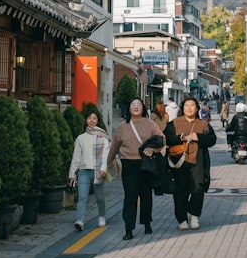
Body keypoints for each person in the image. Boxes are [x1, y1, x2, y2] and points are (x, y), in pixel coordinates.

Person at [108, 97, 164, 240]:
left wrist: (152, 149)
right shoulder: (122, 126)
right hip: (129, 165)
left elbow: (161, 139)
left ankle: (147, 223)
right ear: (129, 108)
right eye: (133, 104)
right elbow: (114, 146)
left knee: (146, 196)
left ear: (143, 108)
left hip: (145, 165)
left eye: (139, 104)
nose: (136, 106)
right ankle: (129, 228)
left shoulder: (150, 123)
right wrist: (108, 162)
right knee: (130, 198)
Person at [164, 96, 217, 230]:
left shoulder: (203, 124)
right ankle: (182, 219)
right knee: (180, 191)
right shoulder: (174, 123)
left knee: (198, 188)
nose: (189, 108)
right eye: (186, 105)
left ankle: (194, 215)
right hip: (179, 163)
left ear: (197, 108)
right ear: (182, 108)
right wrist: (179, 138)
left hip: (198, 161)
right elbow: (167, 139)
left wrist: (197, 137)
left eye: (192, 105)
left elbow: (212, 140)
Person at [68, 111, 109, 231]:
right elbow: (76, 157)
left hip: (98, 172)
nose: (92, 120)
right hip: (84, 172)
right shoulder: (81, 138)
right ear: (86, 120)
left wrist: (103, 168)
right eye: (89, 118)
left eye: (94, 118)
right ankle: (80, 221)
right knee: (82, 197)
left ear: (98, 120)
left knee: (100, 197)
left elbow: (106, 154)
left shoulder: (103, 137)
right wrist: (72, 173)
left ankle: (102, 216)